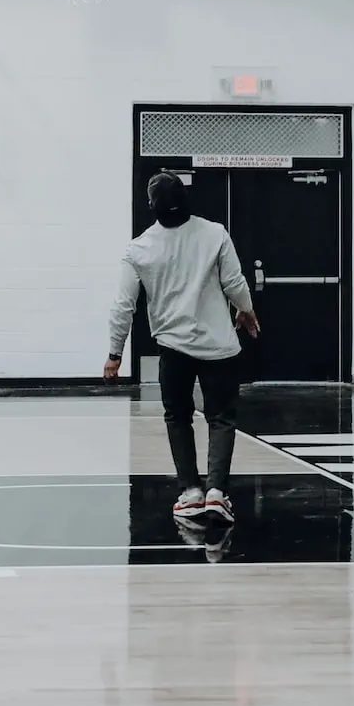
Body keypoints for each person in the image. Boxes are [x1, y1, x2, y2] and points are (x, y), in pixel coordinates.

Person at [103, 172, 260, 521]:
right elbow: (234, 282)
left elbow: (123, 306)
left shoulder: (139, 248)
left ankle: (190, 492)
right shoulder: (215, 233)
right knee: (221, 418)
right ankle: (217, 492)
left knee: (178, 417)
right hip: (219, 347)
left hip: (174, 350)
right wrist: (246, 310)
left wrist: (115, 354)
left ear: (151, 207)